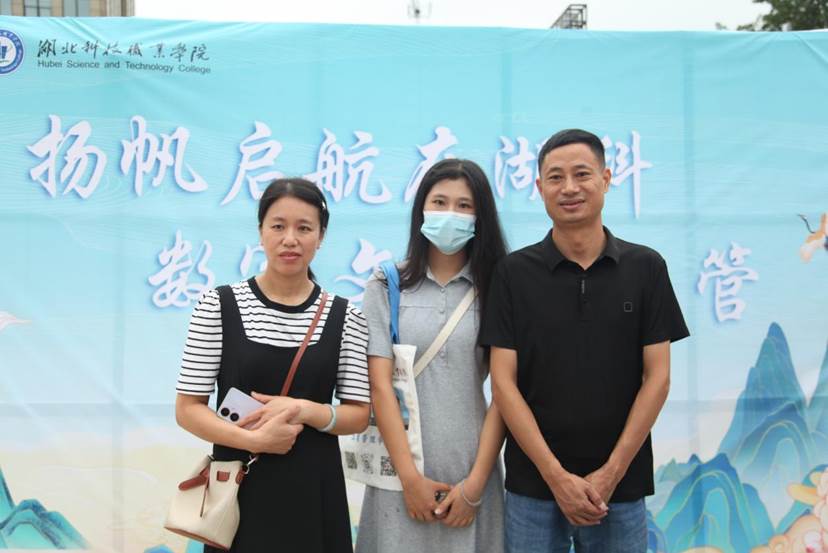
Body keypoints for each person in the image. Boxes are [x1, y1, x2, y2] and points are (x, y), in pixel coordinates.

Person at [480, 129, 689, 553]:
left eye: (582, 174)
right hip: (533, 487)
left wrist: (611, 473)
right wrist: (556, 477)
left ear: (606, 179)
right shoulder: (514, 274)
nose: (569, 188)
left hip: (620, 487)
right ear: (539, 187)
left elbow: (658, 378)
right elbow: (503, 384)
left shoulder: (646, 268)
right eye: (556, 177)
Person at [174, 178, 371, 553]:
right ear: (261, 232)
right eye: (278, 226)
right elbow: (187, 409)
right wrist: (254, 441)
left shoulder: (347, 316)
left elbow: (358, 414)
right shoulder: (218, 306)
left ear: (321, 236)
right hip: (238, 491)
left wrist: (303, 409)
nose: (290, 239)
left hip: (314, 492)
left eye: (304, 228)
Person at [355, 159, 509, 553]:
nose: (450, 214)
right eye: (439, 202)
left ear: (480, 216)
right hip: (399, 472)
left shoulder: (499, 286)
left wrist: (475, 486)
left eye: (464, 205)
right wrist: (410, 480)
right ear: (421, 208)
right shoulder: (386, 284)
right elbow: (379, 387)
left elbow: (505, 393)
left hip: (472, 469)